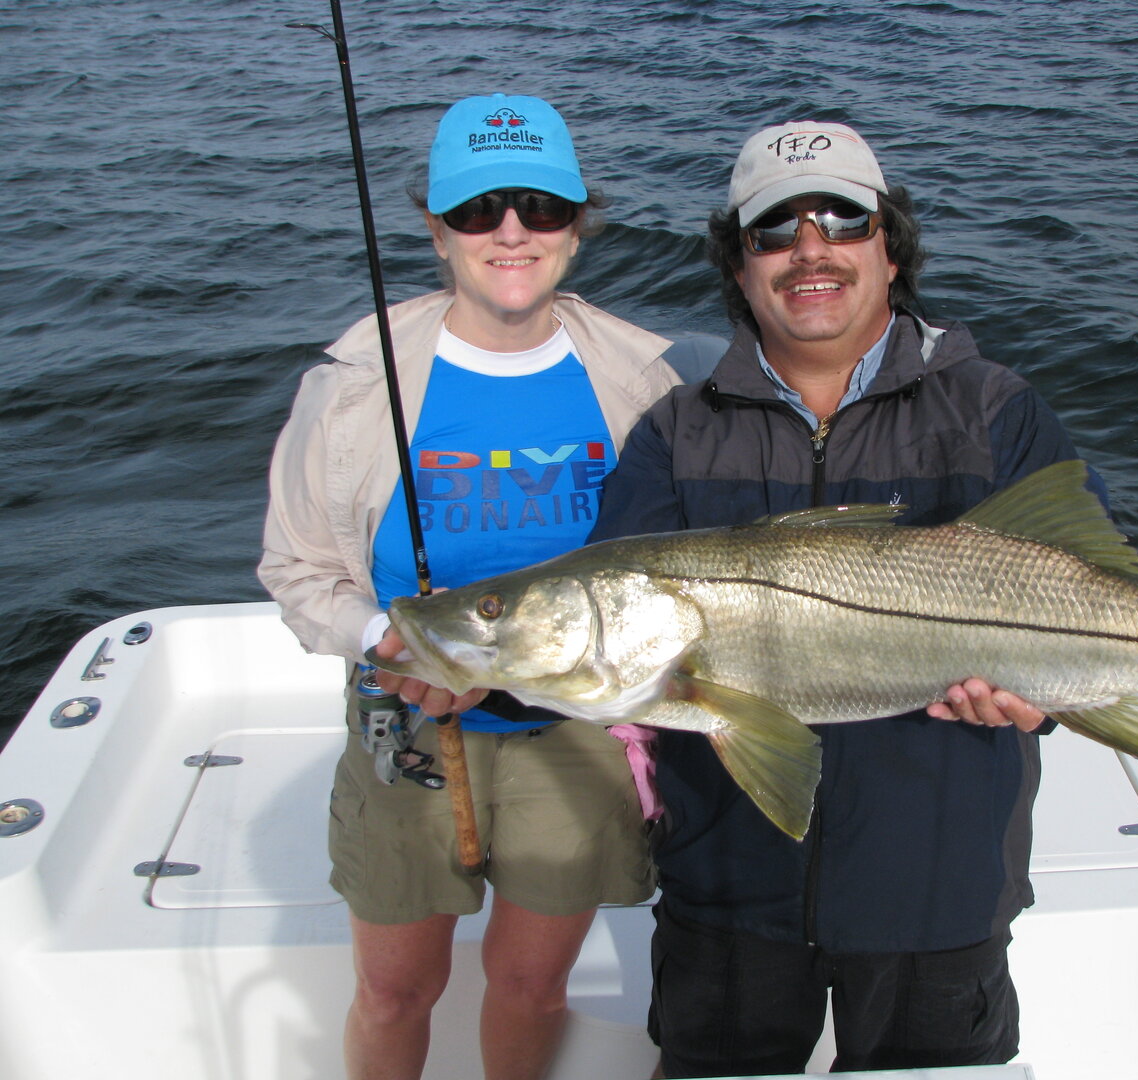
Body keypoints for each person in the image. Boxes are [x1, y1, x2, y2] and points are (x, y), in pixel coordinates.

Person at [588, 121, 1089, 1076]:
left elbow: (1089, 593)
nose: (809, 250)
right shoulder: (676, 432)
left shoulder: (994, 410)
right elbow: (614, 635)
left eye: (843, 221)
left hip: (937, 881)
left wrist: (1046, 695)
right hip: (727, 884)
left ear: (890, 249)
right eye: (774, 230)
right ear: (738, 267)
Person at [258, 93, 679, 1080]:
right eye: (479, 209)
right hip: (402, 722)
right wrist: (383, 640)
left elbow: (667, 573)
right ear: (435, 229)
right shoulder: (354, 379)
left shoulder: (643, 381)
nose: (511, 233)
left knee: (533, 987)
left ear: (579, 223)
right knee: (395, 992)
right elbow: (297, 566)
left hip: (569, 733)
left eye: (539, 205)